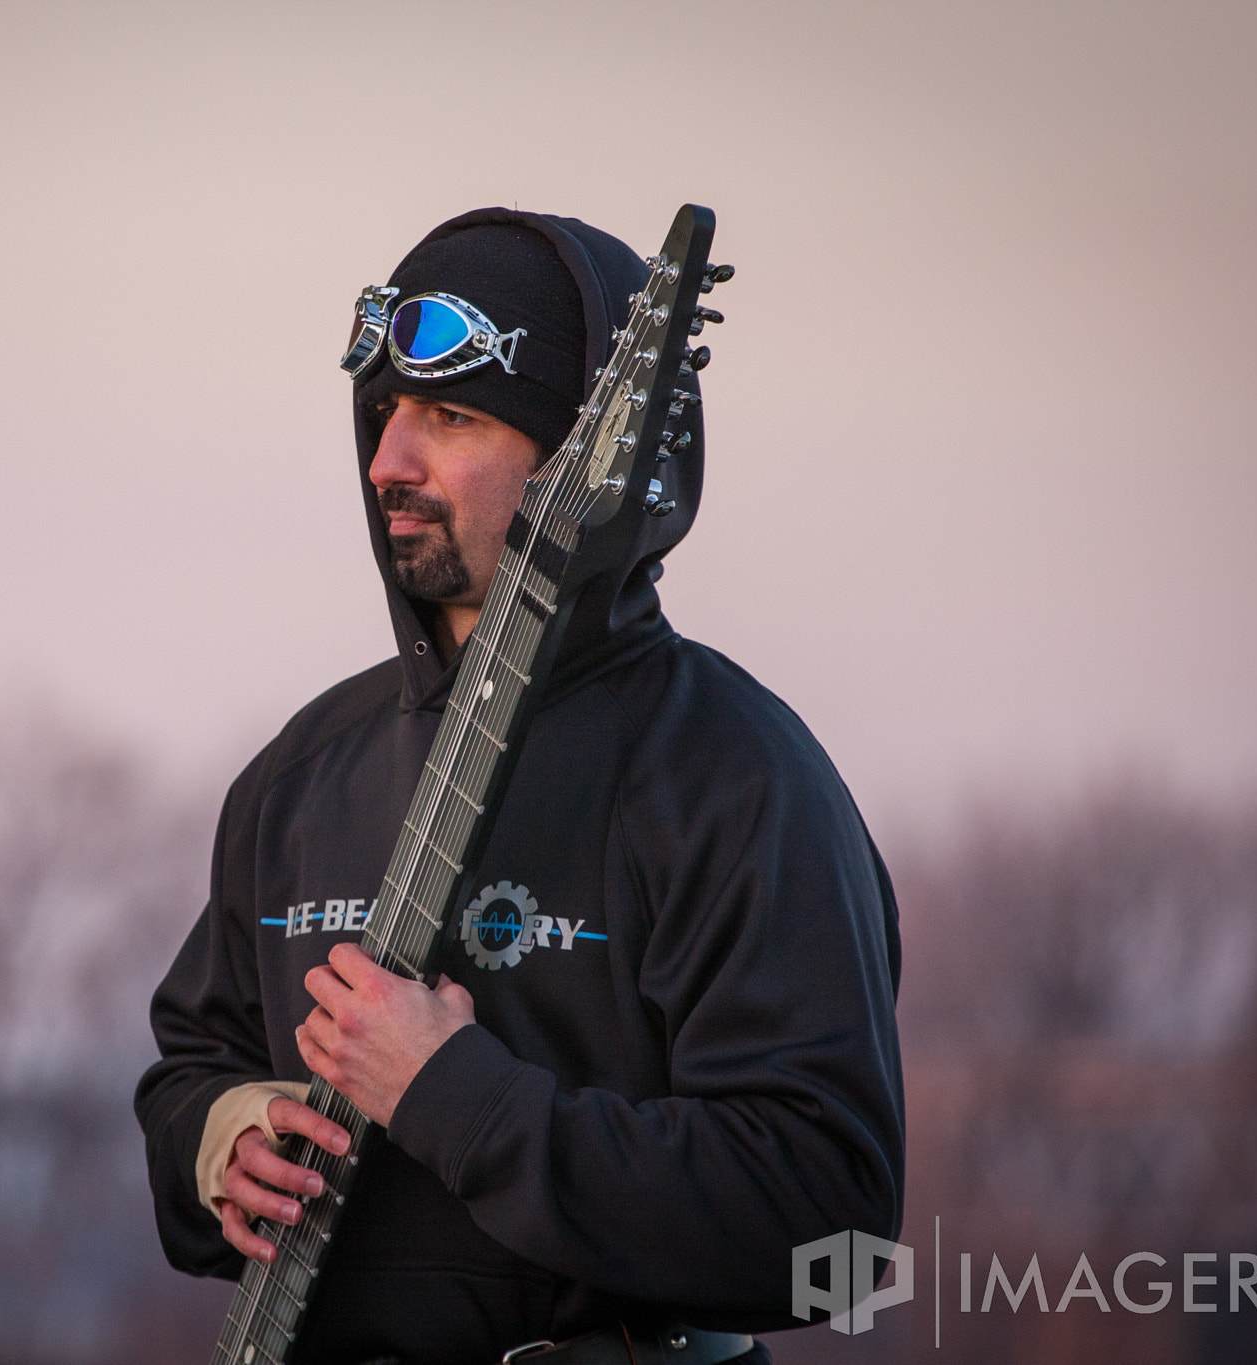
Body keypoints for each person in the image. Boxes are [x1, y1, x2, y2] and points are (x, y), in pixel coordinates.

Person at [134, 208, 904, 1365]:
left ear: (584, 459)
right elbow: (185, 1072)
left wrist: (458, 1100)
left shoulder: (732, 774)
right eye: (382, 413)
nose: (389, 459)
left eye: (451, 416)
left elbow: (832, 1229)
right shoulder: (299, 773)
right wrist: (220, 1142)